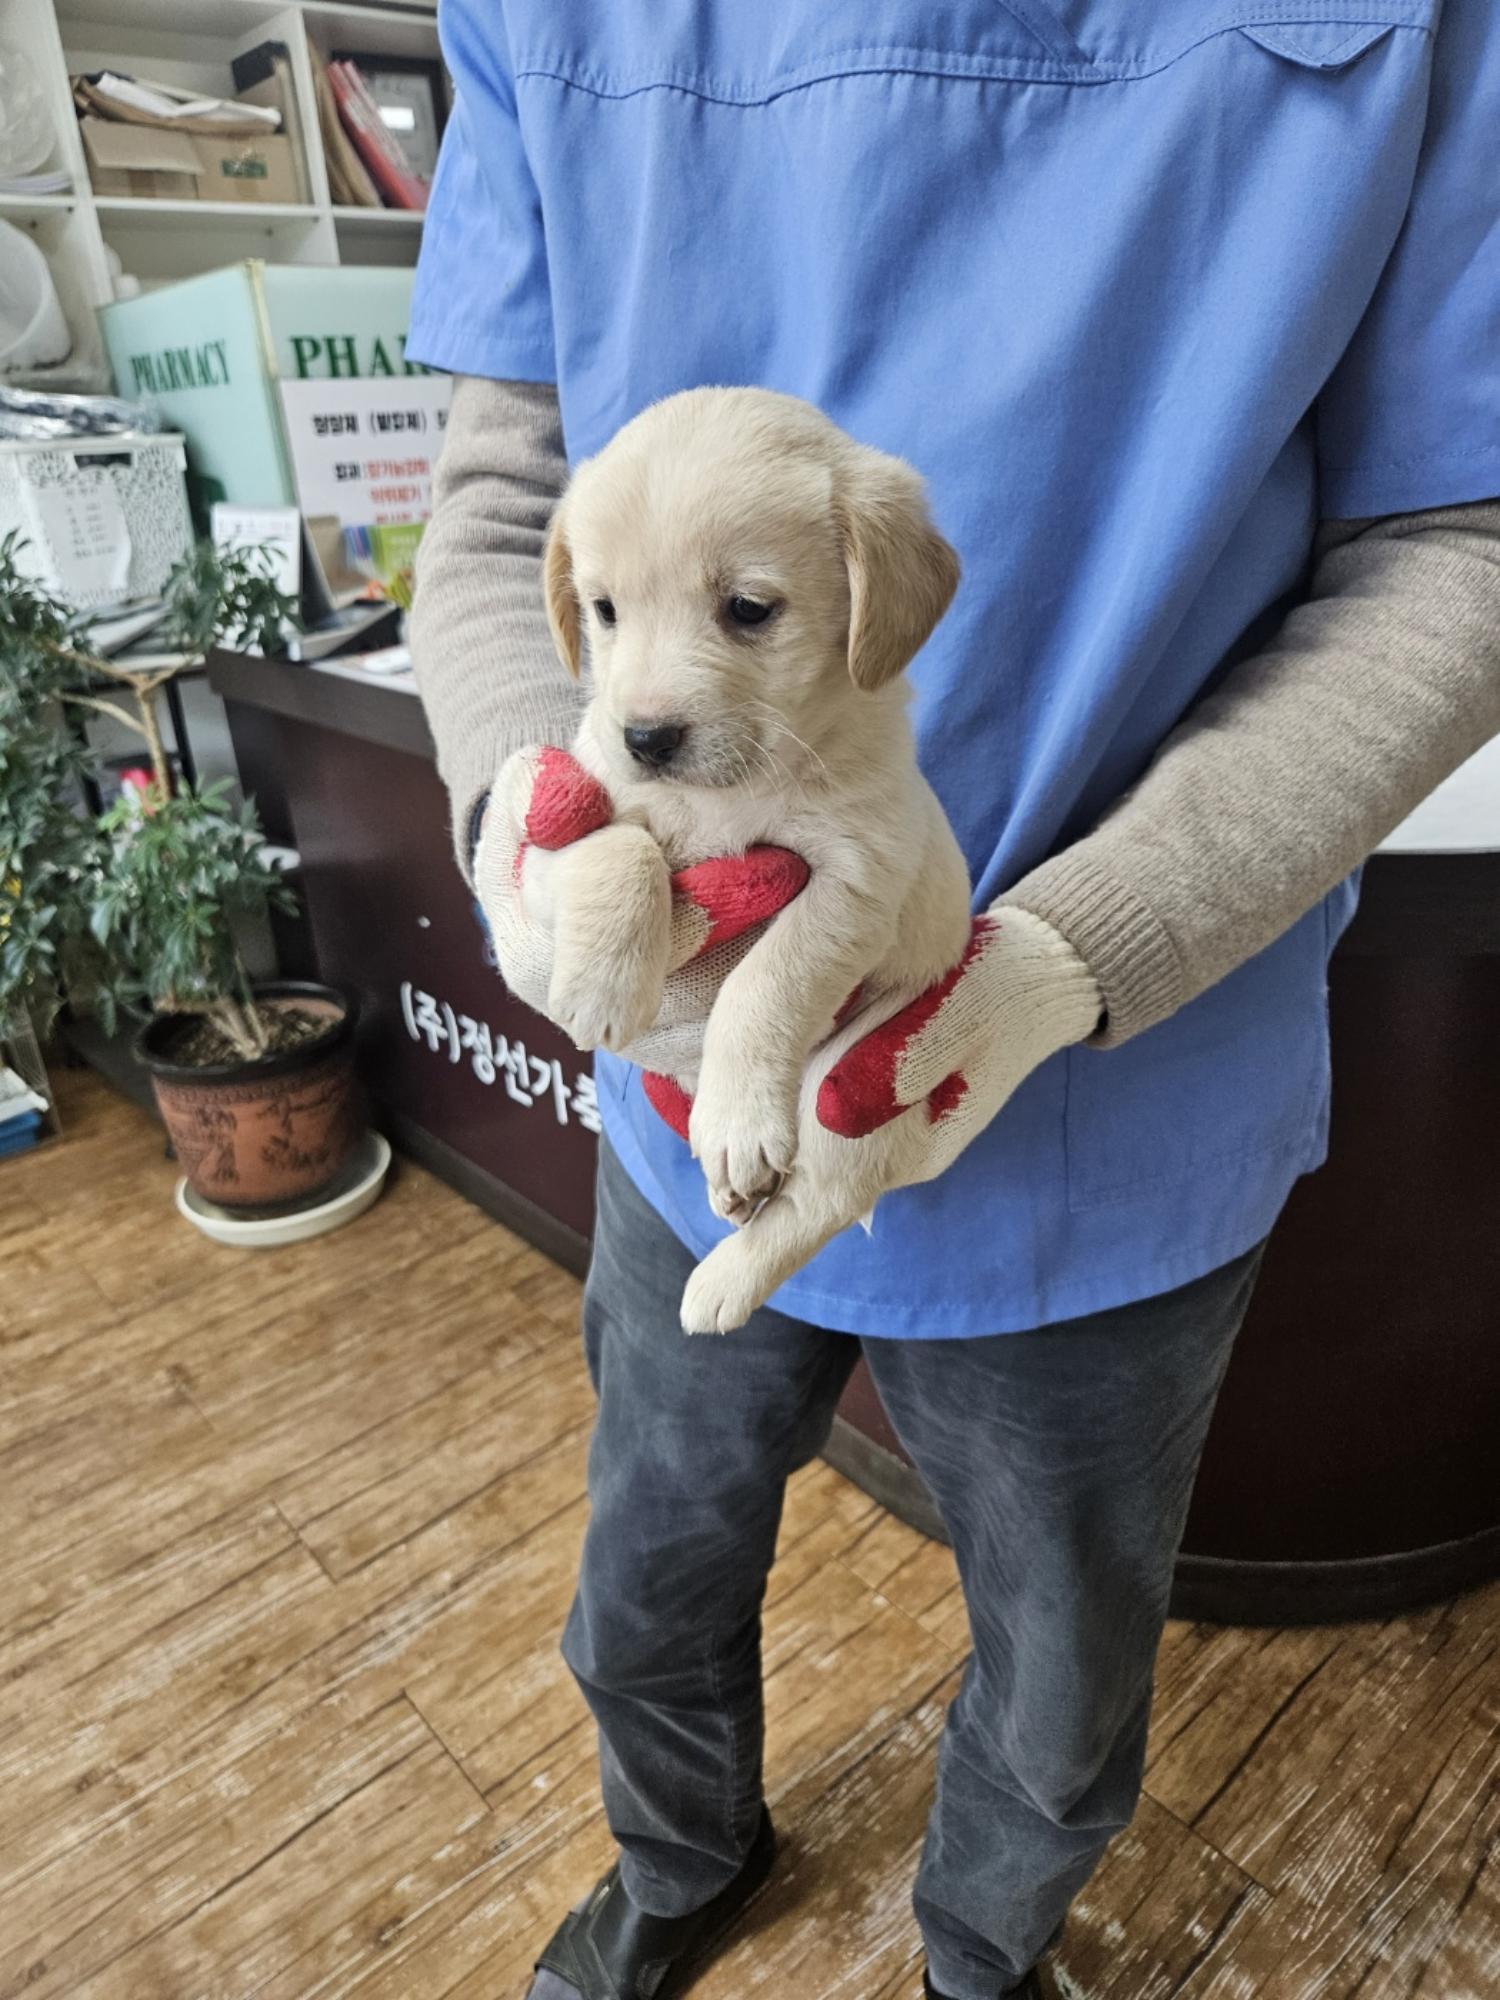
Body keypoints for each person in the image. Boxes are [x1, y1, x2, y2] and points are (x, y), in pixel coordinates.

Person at [407, 6, 1500, 1995]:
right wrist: (530, 837)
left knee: (1068, 1674)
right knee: (644, 1575)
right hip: (679, 1091)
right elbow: (498, 507)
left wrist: (1085, 947)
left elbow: (1461, 542)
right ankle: (680, 1855)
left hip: (1126, 1089)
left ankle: (982, 1952)